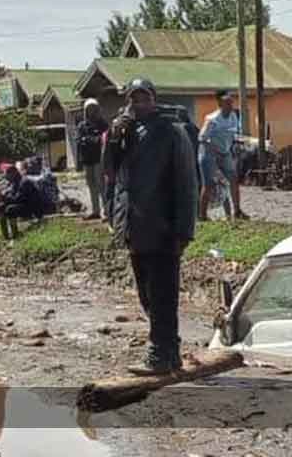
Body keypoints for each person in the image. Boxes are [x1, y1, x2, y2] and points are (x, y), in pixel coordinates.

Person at [109, 78, 197, 374]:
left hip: (163, 228)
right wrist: (113, 136)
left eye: (143, 97)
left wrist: (184, 230)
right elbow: (110, 172)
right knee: (146, 294)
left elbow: (187, 183)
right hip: (134, 227)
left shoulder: (172, 132)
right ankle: (169, 350)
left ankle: (161, 354)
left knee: (162, 295)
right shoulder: (127, 133)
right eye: (133, 99)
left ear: (154, 99)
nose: (138, 104)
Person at [198, 90, 247, 221]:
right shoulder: (212, 119)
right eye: (228, 103)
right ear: (220, 104)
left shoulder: (234, 117)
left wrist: (238, 143)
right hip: (209, 154)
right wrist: (214, 151)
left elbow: (232, 134)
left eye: (231, 103)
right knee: (208, 184)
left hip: (225, 153)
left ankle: (237, 211)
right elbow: (202, 138)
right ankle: (202, 215)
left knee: (233, 179)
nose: (231, 106)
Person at [76, 98, 109, 220]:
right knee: (91, 185)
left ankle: (106, 211)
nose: (91, 111)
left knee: (101, 184)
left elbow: (103, 139)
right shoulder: (82, 125)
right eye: (89, 109)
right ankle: (95, 210)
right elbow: (79, 141)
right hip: (87, 159)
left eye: (93, 108)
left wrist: (89, 140)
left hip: (99, 158)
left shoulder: (103, 124)